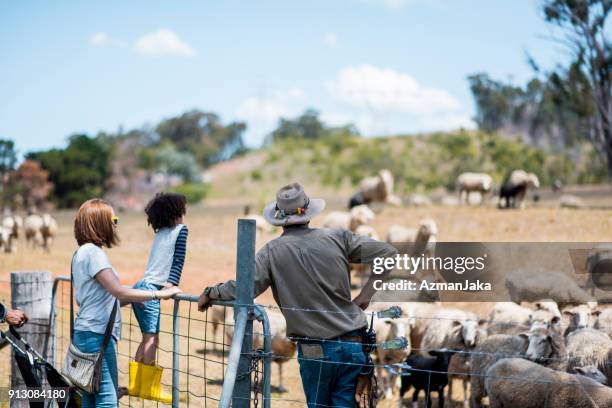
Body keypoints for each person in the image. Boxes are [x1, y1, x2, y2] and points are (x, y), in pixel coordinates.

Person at [197, 183, 397, 408]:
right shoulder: (339, 239)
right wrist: (365, 296)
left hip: (314, 350)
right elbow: (389, 253)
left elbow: (243, 287)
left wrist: (211, 292)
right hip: (352, 343)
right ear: (309, 213)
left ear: (278, 217)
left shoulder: (272, 252)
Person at [72, 198, 181, 408]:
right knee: (107, 399)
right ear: (99, 221)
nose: (116, 223)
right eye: (113, 218)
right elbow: (117, 290)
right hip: (97, 336)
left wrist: (133, 298)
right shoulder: (94, 254)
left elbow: (104, 297)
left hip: (86, 332)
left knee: (90, 396)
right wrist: (158, 296)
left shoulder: (81, 253)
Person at [130, 192, 188, 402]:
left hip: (140, 287)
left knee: (146, 338)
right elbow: (178, 259)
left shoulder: (160, 233)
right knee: (152, 339)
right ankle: (150, 388)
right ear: (176, 213)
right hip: (151, 289)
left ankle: (136, 386)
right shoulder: (181, 230)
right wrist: (171, 285)